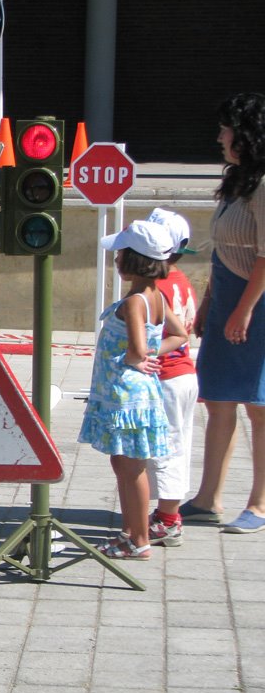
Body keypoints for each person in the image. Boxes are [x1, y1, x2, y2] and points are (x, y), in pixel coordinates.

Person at [181, 92, 265, 534]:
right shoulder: (237, 182)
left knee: (259, 404)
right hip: (229, 297)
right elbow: (223, 250)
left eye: (226, 129)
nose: (219, 137)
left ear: (246, 134)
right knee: (218, 399)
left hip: (257, 303)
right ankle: (207, 498)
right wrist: (210, 303)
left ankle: (259, 504)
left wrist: (244, 311)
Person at [78, 220, 187, 560]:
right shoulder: (156, 296)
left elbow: (138, 348)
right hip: (136, 394)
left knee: (130, 467)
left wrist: (136, 355)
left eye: (120, 253)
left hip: (126, 396)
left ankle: (138, 539)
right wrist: (151, 352)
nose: (115, 259)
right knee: (125, 464)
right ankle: (132, 532)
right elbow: (180, 335)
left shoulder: (135, 302)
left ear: (134, 260)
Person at [144, 208, 199, 548]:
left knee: (164, 449)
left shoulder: (156, 289)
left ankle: (168, 519)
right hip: (184, 376)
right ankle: (167, 513)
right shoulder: (180, 281)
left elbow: (147, 336)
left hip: (165, 376)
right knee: (178, 444)